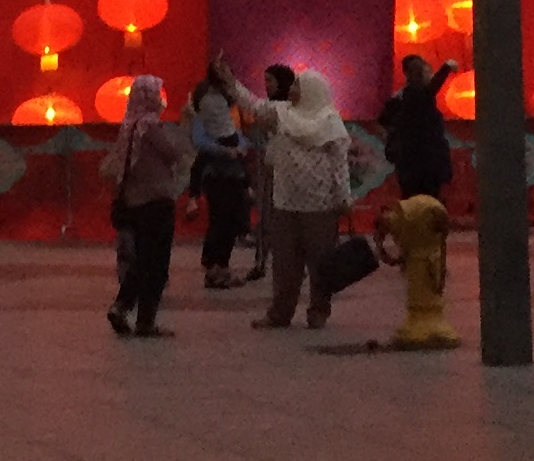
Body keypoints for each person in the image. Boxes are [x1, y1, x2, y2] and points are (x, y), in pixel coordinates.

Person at [215, 58, 353, 330]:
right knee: (285, 263)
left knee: (320, 263)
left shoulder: (331, 122)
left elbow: (339, 165)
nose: (292, 89)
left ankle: (318, 311)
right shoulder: (282, 113)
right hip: (285, 202)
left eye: (298, 85)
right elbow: (253, 105)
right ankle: (280, 313)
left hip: (320, 206)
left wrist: (343, 198)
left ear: (312, 91)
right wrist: (231, 82)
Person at [101, 71, 190, 341]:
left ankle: (122, 306)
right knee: (156, 263)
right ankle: (144, 320)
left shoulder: (129, 126)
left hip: (133, 201)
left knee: (141, 258)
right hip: (156, 201)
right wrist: (185, 125)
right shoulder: (150, 126)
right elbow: (174, 152)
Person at [187, 76, 253, 288]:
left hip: (233, 177)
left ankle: (222, 266)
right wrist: (225, 151)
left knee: (231, 224)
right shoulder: (203, 120)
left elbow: (239, 138)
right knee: (220, 223)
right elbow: (201, 146)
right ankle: (214, 268)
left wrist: (241, 148)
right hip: (217, 177)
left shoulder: (226, 118)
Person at [379, 52, 457, 205]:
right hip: (426, 162)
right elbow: (430, 89)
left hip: (408, 163)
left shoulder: (399, 98)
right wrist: (446, 67)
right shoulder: (418, 96)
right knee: (428, 203)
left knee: (412, 202)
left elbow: (383, 122)